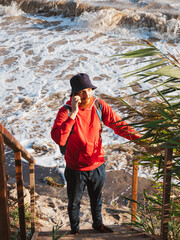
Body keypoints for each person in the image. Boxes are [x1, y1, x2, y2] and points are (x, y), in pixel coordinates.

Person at [51, 73, 142, 235]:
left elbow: (119, 125)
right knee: (74, 203)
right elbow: (60, 139)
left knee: (97, 199)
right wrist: (73, 114)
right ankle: (75, 231)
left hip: (97, 165)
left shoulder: (99, 105)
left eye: (89, 90)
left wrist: (141, 139)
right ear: (74, 95)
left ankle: (98, 225)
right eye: (82, 92)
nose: (87, 95)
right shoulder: (65, 112)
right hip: (75, 168)